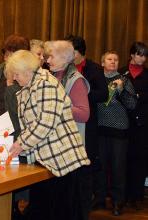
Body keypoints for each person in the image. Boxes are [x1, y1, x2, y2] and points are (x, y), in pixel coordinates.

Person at [6, 50, 90, 220]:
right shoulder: (29, 87)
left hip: (64, 163)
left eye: (16, 74)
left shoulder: (46, 84)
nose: (14, 78)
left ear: (27, 70)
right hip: (46, 162)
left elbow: (45, 122)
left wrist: (20, 144)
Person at [65, 35, 108, 219]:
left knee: (86, 166)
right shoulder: (64, 69)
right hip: (69, 125)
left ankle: (84, 207)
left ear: (78, 52)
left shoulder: (94, 69)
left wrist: (81, 95)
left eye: (70, 51)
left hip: (87, 125)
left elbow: (103, 94)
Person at [96, 51, 137, 216]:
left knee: (118, 167)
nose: (113, 62)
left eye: (116, 59)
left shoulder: (124, 80)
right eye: (109, 59)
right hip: (100, 128)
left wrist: (121, 90)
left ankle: (117, 201)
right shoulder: (97, 79)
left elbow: (132, 104)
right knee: (100, 166)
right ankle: (99, 198)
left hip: (119, 129)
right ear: (102, 62)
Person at [119, 41, 148, 210]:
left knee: (139, 161)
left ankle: (136, 196)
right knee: (122, 161)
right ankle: (122, 195)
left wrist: (137, 95)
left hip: (142, 124)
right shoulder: (121, 72)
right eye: (139, 54)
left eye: (144, 55)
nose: (141, 58)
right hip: (122, 123)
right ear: (132, 55)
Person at [46, 40, 90, 145]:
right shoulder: (54, 76)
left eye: (52, 57)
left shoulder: (76, 80)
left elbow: (84, 114)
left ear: (64, 58)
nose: (47, 60)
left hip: (69, 144)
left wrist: (56, 105)